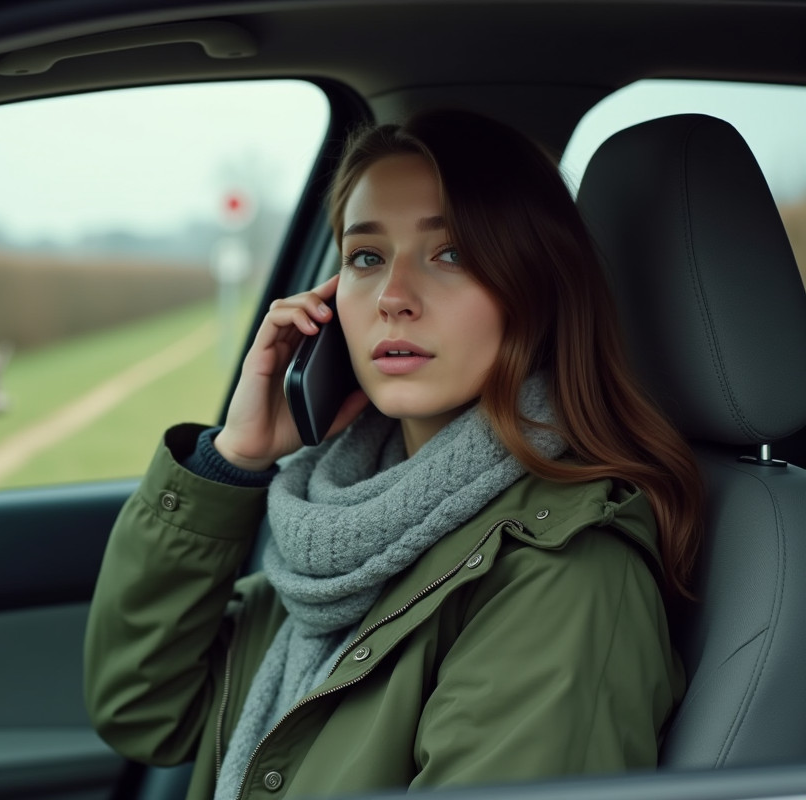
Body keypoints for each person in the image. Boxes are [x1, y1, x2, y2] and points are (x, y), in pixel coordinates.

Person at [84, 109, 701, 800]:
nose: (393, 298)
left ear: (539, 291)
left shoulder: (569, 575)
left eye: (452, 254)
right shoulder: (341, 522)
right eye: (366, 258)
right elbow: (144, 710)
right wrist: (235, 457)